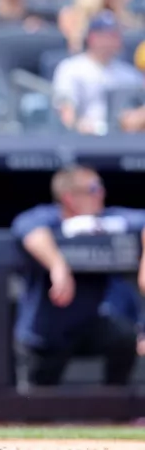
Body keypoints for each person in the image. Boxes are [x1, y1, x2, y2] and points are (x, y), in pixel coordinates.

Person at [11, 165, 143, 389]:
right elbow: (27, 229)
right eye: (93, 188)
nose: (101, 193)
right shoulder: (46, 216)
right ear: (70, 197)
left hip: (86, 325)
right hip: (44, 333)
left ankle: (114, 407)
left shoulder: (108, 218)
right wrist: (58, 266)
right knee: (34, 410)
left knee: (123, 336)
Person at [52, 12, 143, 135]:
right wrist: (78, 125)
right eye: (104, 36)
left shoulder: (130, 74)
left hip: (123, 138)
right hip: (85, 139)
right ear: (91, 38)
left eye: (113, 35)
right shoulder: (70, 68)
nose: (109, 41)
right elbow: (65, 111)